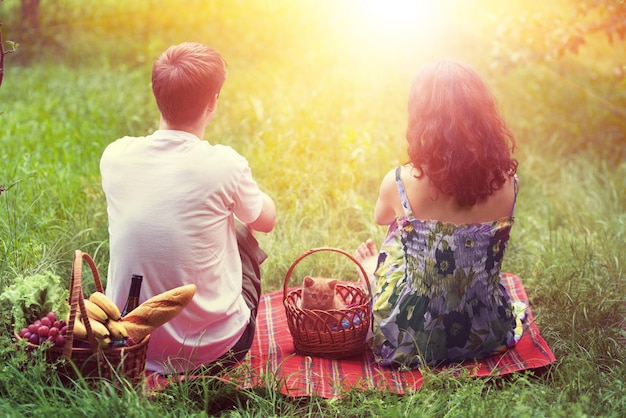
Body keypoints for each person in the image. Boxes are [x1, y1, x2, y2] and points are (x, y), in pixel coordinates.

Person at [100, 42, 276, 374]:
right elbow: (266, 220)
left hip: (129, 344)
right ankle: (212, 321)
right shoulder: (225, 164)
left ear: (156, 95)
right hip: (217, 350)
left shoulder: (115, 156)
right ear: (213, 101)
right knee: (241, 229)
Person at [355, 60, 525, 369]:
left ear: (422, 118)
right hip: (487, 330)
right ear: (483, 115)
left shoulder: (400, 181)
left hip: (413, 337)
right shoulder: (509, 183)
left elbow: (381, 217)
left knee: (398, 230)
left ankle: (370, 272)